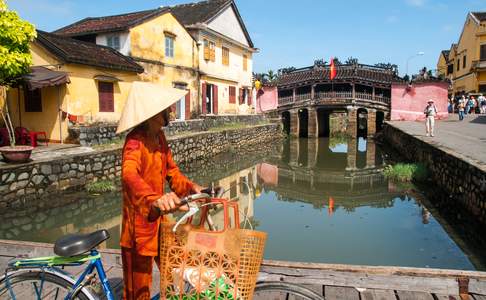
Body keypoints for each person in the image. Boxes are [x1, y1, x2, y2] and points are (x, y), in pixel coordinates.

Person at [116, 82, 204, 300]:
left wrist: (193, 188)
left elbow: (172, 172)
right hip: (139, 227)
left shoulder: (160, 138)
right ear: (155, 113)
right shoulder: (135, 142)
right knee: (138, 290)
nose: (171, 111)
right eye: (167, 108)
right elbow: (129, 174)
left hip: (159, 221)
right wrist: (154, 200)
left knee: (173, 268)